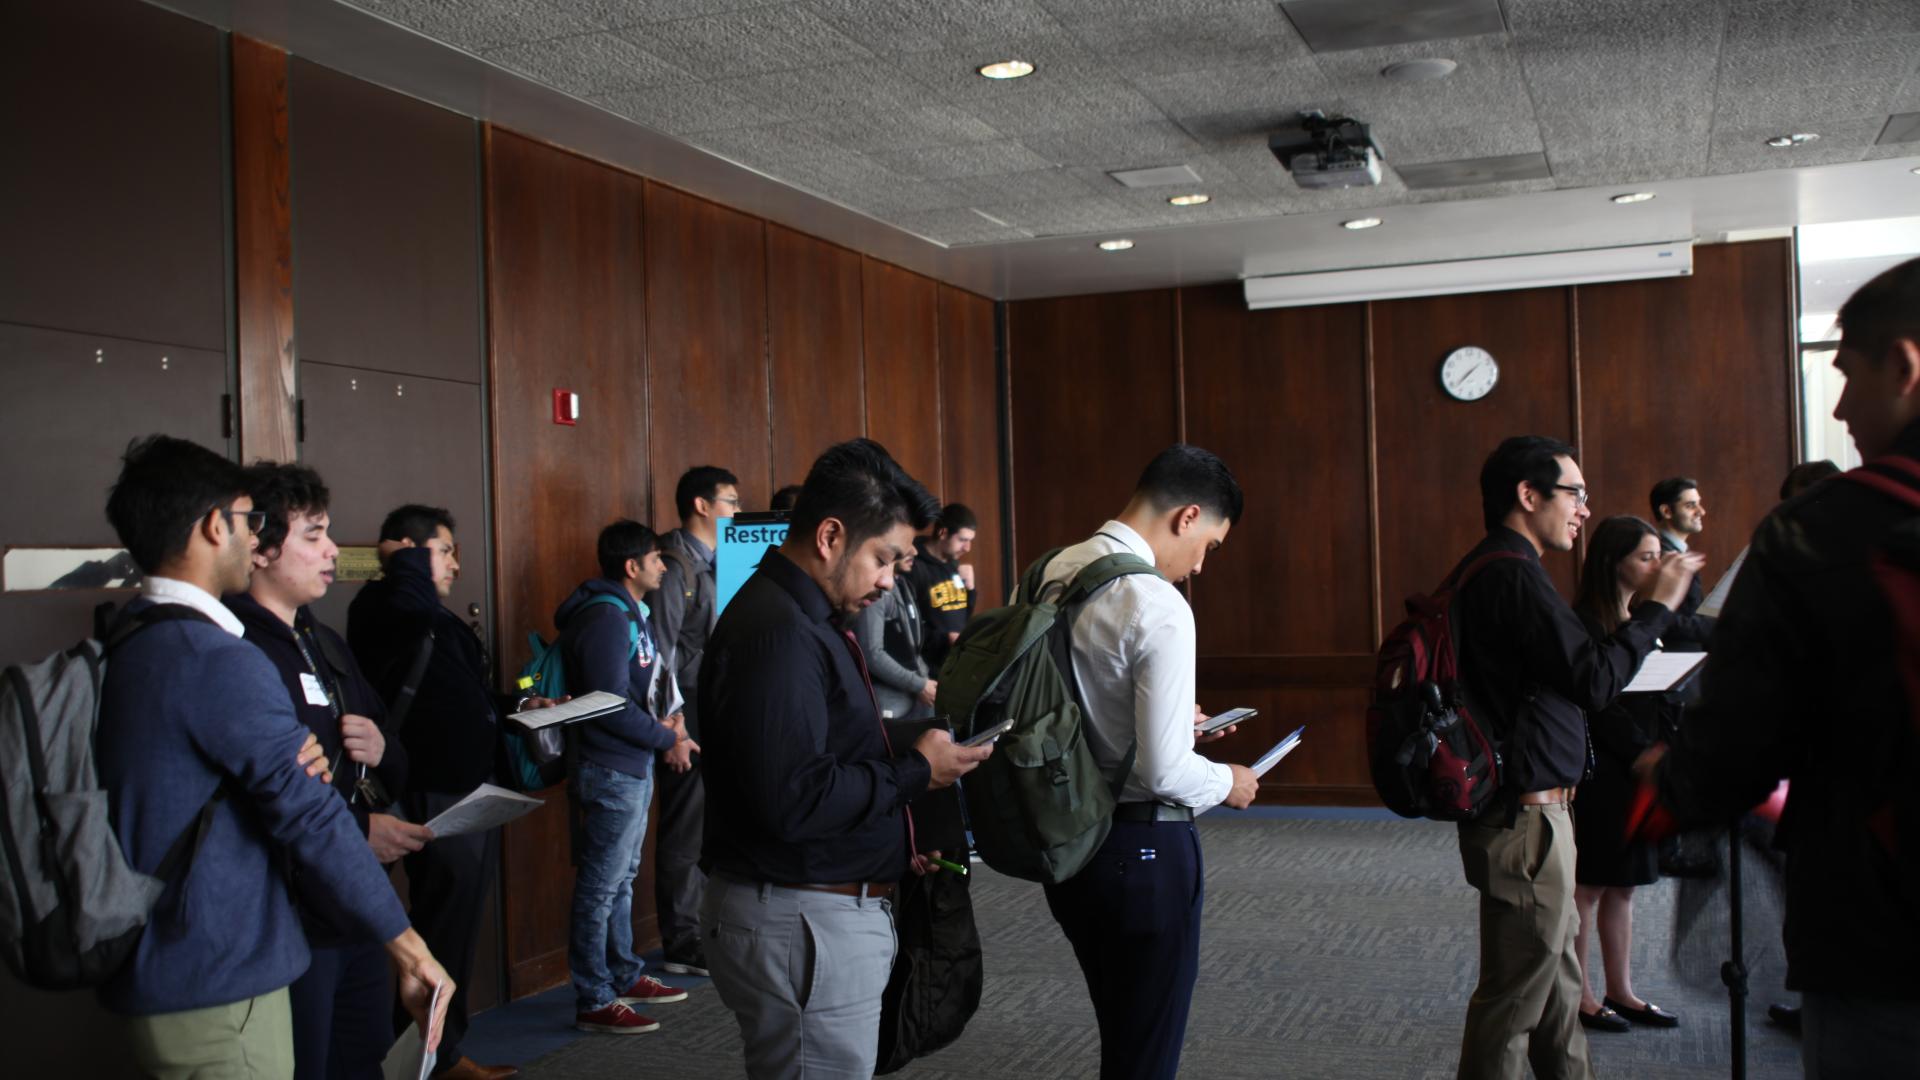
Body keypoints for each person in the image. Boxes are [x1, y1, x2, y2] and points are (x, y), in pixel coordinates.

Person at [1638, 257, 1920, 1078]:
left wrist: (1674, 780)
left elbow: (1738, 744)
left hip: (1884, 927)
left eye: (1847, 376)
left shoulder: (1819, 534)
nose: (1838, 407)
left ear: (1903, 367)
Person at [95, 435, 450, 1078]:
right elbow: (306, 814)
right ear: (213, 527)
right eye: (247, 520)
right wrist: (408, 943)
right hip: (216, 971)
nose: (253, 535)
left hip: (173, 955)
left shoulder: (136, 635)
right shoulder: (217, 658)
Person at [698, 438, 992, 1079]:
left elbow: (820, 755)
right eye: (884, 559)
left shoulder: (804, 618)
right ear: (831, 535)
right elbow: (795, 798)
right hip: (801, 917)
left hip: (811, 906)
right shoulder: (780, 632)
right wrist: (918, 772)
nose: (890, 580)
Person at [1450, 435, 1701, 1080]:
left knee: (1558, 991)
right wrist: (1653, 612)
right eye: (1575, 494)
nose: (1585, 509)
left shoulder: (1501, 568)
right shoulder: (1510, 573)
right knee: (1514, 1001)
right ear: (1527, 496)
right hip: (1525, 821)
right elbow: (1595, 680)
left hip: (1538, 815)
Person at [1033, 444, 1257, 1080]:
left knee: (1121, 1034)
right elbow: (1163, 774)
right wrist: (1228, 781)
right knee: (1146, 1057)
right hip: (1143, 847)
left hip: (1067, 842)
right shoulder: (1156, 602)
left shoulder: (1053, 568)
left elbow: (1064, 697)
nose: (1201, 566)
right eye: (1210, 545)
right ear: (1188, 516)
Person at [223, 462, 435, 1078]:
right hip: (284, 920)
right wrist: (357, 831)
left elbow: (391, 752)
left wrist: (378, 750)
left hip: (351, 907)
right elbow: (253, 801)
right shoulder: (234, 650)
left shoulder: (323, 640)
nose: (332, 551)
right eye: (313, 535)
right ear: (259, 548)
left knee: (361, 1058)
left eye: (329, 533)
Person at [348, 505, 517, 1080]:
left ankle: (438, 1053)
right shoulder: (387, 605)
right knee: (430, 930)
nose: (453, 563)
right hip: (422, 793)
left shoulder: (433, 616)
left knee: (455, 925)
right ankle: (428, 1058)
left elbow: (465, 696)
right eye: (442, 551)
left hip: (464, 792)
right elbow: (408, 604)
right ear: (406, 554)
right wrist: (408, 559)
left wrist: (519, 706)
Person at [559, 520, 697, 1034]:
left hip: (632, 766)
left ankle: (622, 972)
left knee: (621, 880)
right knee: (600, 886)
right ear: (631, 566)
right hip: (610, 768)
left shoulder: (629, 613)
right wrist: (668, 740)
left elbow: (648, 686)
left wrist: (674, 728)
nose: (664, 566)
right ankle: (593, 995)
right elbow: (607, 706)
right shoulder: (605, 618)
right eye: (657, 558)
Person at [1566, 517, 1681, 1035]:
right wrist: (1641, 753)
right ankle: (1582, 997)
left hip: (1640, 767)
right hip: (1603, 772)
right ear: (1615, 562)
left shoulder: (1642, 620)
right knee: (1587, 888)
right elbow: (1598, 705)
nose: (1655, 566)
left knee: (1624, 888)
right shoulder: (1586, 622)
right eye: (1646, 557)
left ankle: (1622, 990)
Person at [643, 466, 738, 978]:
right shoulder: (673, 564)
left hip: (713, 704)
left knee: (706, 822)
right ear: (701, 506)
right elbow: (659, 654)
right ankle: (680, 938)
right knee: (684, 823)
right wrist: (673, 727)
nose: (737, 512)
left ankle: (698, 926)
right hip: (686, 710)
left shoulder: (720, 562)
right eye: (730, 501)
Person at [852, 545, 934, 722]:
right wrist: (919, 684)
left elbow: (912, 647)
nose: (914, 551)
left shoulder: (903, 584)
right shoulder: (877, 593)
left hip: (914, 698)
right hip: (889, 706)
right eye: (907, 544)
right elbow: (871, 653)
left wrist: (924, 682)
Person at [905, 503, 977, 673]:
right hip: (926, 668)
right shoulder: (914, 566)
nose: (967, 548)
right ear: (943, 532)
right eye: (962, 540)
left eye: (970, 541)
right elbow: (909, 623)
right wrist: (945, 639)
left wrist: (971, 589)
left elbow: (964, 615)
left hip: (954, 663)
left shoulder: (953, 564)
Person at [1648, 477, 1714, 649]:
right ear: (1666, 511)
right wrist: (1720, 626)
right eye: (1691, 505)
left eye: (1698, 504)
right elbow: (1663, 618)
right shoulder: (1656, 555)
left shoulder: (1677, 550)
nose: (1701, 511)